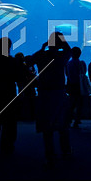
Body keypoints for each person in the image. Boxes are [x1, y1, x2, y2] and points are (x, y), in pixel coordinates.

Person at [30, 32, 72, 165]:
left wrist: (43, 48)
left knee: (46, 125)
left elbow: (29, 61)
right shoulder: (62, 56)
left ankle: (50, 154)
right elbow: (69, 51)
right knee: (62, 124)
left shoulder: (41, 55)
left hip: (44, 93)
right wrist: (63, 42)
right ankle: (66, 151)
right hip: (59, 92)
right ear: (60, 43)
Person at [65, 47, 87, 128]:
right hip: (80, 86)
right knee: (79, 103)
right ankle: (77, 120)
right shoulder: (82, 63)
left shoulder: (68, 63)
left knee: (71, 103)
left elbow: (67, 74)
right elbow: (84, 73)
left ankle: (69, 119)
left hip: (71, 85)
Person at [15, 52, 37, 121]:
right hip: (25, 85)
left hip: (24, 85)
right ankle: (27, 115)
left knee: (26, 99)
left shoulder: (24, 66)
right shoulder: (24, 66)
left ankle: (25, 115)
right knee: (27, 99)